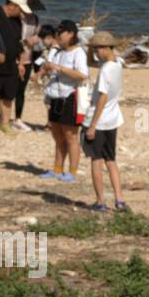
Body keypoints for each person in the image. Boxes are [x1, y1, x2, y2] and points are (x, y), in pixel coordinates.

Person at [38, 19, 89, 182]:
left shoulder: (78, 52)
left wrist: (59, 68)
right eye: (57, 32)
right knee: (57, 135)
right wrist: (43, 71)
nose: (58, 35)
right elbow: (51, 70)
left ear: (71, 34)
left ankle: (72, 172)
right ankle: (57, 169)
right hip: (55, 97)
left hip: (70, 98)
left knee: (71, 136)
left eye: (61, 32)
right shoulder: (59, 52)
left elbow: (82, 75)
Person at [82, 31, 125, 211]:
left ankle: (100, 201)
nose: (97, 51)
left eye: (98, 48)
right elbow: (90, 62)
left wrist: (92, 126)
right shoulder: (117, 63)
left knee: (96, 160)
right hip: (113, 119)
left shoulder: (106, 70)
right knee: (111, 160)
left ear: (107, 48)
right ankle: (119, 199)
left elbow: (102, 98)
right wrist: (89, 48)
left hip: (99, 121)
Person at [0, 0, 30, 134]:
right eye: (20, 9)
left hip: (12, 63)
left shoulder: (16, 20)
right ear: (13, 5)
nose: (21, 13)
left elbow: (18, 42)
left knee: (8, 95)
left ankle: (4, 123)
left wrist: (21, 63)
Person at [11, 0, 45, 131]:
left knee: (20, 91)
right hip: (14, 59)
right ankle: (1, 117)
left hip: (28, 59)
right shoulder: (15, 19)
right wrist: (25, 42)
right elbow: (11, 39)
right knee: (6, 89)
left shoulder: (35, 19)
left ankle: (18, 119)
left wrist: (37, 39)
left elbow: (39, 38)